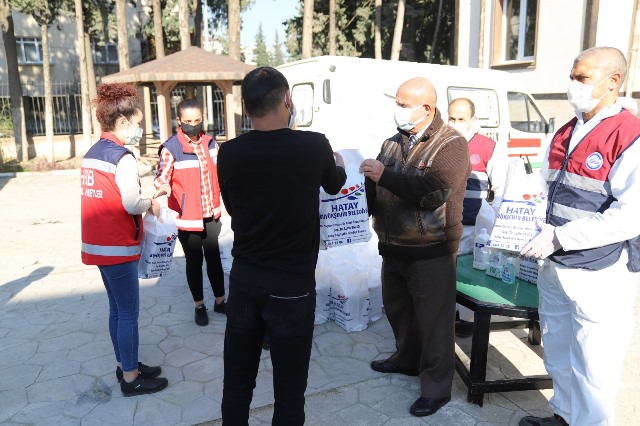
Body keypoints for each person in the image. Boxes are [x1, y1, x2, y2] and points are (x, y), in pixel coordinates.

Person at [217, 66, 346, 425]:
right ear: (287, 100)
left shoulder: (228, 153)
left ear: (246, 110)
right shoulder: (314, 145)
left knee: (237, 383)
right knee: (289, 390)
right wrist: (338, 163)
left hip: (244, 283)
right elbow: (335, 184)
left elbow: (232, 206)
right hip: (292, 288)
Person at [518, 46, 640, 426]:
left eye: (583, 78)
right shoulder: (565, 131)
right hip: (555, 265)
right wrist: (532, 221)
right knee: (557, 349)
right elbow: (544, 189)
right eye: (572, 77)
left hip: (600, 270)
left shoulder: (630, 136)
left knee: (595, 362)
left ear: (613, 81)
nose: (574, 85)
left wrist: (561, 237)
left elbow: (631, 216)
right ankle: (563, 417)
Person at [361, 77, 470, 417]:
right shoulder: (392, 144)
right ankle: (407, 359)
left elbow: (433, 192)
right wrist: (357, 190)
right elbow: (376, 188)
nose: (398, 110)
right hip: (393, 246)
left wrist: (383, 177)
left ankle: (437, 388)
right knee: (399, 309)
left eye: (404, 104)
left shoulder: (451, 144)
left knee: (435, 322)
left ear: (427, 107)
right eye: (397, 102)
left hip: (430, 248)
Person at [81, 82, 168, 396]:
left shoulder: (94, 153)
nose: (141, 129)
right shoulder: (123, 157)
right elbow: (130, 202)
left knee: (117, 310)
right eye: (139, 123)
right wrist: (152, 203)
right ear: (122, 123)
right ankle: (131, 378)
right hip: (117, 246)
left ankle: (125, 364)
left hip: (99, 246)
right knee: (128, 312)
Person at [154, 99, 226, 326]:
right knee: (194, 262)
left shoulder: (211, 143)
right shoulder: (171, 148)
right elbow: (161, 177)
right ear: (179, 121)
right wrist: (162, 187)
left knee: (214, 258)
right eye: (188, 121)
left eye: (197, 120)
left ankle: (221, 301)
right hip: (187, 217)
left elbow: (222, 171)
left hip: (211, 213)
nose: (193, 125)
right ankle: (199, 305)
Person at [447, 98, 508, 336]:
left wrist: (496, 222)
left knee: (469, 273)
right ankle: (449, 314)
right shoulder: (441, 143)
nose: (455, 123)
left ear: (473, 120)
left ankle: (467, 320)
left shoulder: (488, 147)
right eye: (452, 118)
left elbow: (500, 188)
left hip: (474, 225)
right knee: (447, 270)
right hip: (445, 222)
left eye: (461, 119)